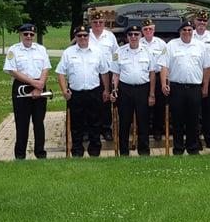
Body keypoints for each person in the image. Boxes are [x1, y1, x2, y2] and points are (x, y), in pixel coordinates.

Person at [159, 20, 210, 155]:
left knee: (193, 120)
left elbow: (207, 68)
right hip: (177, 88)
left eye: (189, 30)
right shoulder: (171, 45)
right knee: (177, 120)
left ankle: (193, 148)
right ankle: (178, 148)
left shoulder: (200, 46)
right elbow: (164, 66)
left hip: (195, 88)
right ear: (180, 31)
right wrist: (164, 84)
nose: (187, 32)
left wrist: (205, 86)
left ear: (192, 31)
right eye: (184, 30)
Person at [56, 25, 110, 157]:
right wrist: (64, 90)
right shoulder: (68, 53)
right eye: (79, 36)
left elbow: (104, 72)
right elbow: (61, 73)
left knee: (95, 123)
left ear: (88, 36)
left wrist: (106, 90)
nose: (82, 38)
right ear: (75, 37)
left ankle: (95, 150)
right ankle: (77, 150)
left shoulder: (97, 52)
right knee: (76, 124)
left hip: (94, 92)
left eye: (85, 35)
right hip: (76, 94)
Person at [3, 23, 51, 160]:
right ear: (21, 34)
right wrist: (33, 83)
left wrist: (39, 85)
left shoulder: (41, 49)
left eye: (31, 34)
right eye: (26, 34)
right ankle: (20, 155)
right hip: (21, 86)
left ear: (34, 35)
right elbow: (12, 71)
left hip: (39, 85)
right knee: (22, 123)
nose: (29, 36)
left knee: (39, 122)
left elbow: (46, 68)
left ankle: (40, 154)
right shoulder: (14, 50)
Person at [110, 25, 157, 156]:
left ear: (140, 36)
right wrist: (114, 91)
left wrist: (152, 94)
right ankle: (123, 152)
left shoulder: (148, 52)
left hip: (143, 89)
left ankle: (144, 151)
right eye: (130, 34)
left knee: (143, 122)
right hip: (125, 90)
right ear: (127, 37)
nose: (133, 37)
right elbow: (116, 74)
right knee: (124, 122)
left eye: (136, 34)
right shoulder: (119, 52)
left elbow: (152, 74)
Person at [88, 9, 118, 141]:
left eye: (100, 22)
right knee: (92, 102)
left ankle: (106, 129)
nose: (98, 25)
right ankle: (90, 130)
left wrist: (117, 69)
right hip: (91, 73)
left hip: (108, 73)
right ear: (91, 23)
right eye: (95, 22)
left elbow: (116, 54)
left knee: (105, 101)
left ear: (104, 23)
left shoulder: (109, 36)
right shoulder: (86, 35)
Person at [192, 9, 210, 148]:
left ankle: (209, 138)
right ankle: (196, 140)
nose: (201, 23)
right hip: (194, 79)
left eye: (204, 21)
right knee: (194, 111)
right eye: (199, 20)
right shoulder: (190, 36)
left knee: (209, 110)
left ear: (207, 23)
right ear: (194, 21)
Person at [140, 18, 167, 141]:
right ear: (142, 31)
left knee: (159, 105)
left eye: (150, 28)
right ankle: (145, 129)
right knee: (144, 105)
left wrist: (165, 81)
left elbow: (165, 63)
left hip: (158, 75)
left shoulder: (161, 44)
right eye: (145, 29)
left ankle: (157, 130)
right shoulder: (138, 43)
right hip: (144, 77)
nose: (148, 31)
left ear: (154, 29)